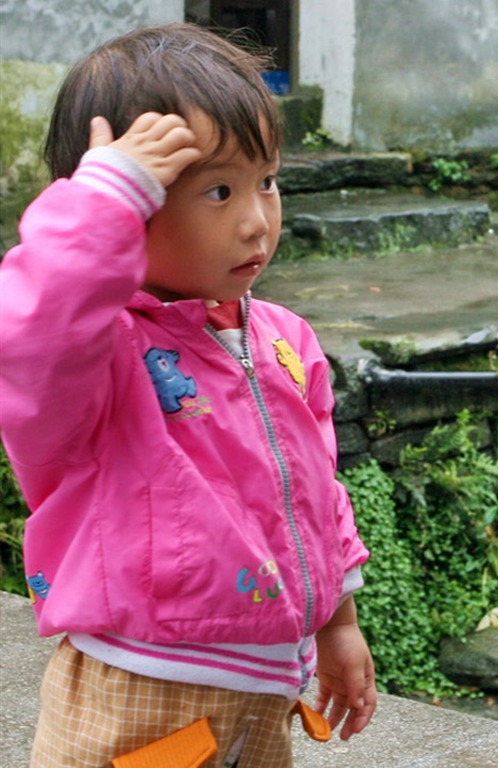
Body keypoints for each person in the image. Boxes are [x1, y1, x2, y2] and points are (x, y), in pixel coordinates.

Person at [0, 23, 376, 766]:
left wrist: (336, 623)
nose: (256, 220)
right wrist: (98, 200)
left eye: (266, 180)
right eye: (217, 190)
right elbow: (30, 324)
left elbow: (314, 493)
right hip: (140, 686)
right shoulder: (97, 354)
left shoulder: (284, 339)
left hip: (268, 683)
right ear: (131, 207)